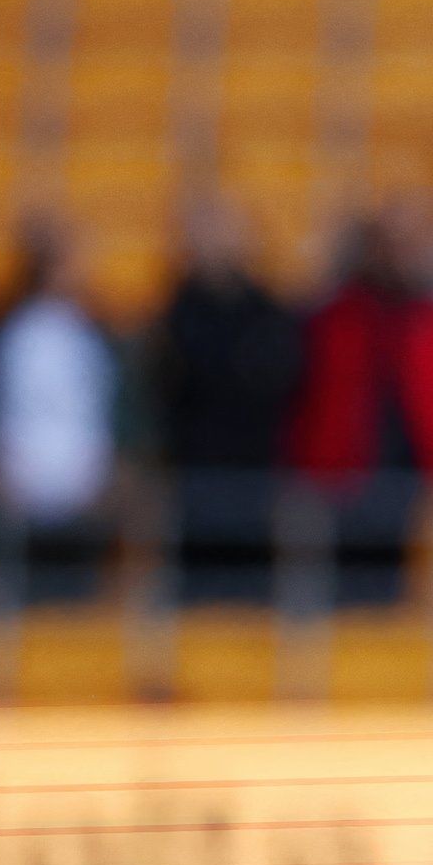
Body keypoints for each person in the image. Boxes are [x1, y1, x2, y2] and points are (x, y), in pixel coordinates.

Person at [283, 214, 433, 605]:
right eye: (388, 246)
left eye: (408, 247)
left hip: (416, 481)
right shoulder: (333, 321)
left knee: (404, 601)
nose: (398, 258)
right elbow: (310, 398)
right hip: (343, 478)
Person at [150, 204, 307, 603]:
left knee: (252, 604)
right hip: (193, 480)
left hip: (255, 481)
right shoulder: (175, 316)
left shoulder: (269, 316)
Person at [0, 227, 120, 602]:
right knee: (27, 591)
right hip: (26, 476)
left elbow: (97, 406)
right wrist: (5, 466)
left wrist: (100, 468)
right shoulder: (19, 332)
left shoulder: (87, 331)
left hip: (82, 478)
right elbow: (8, 403)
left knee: (76, 594)